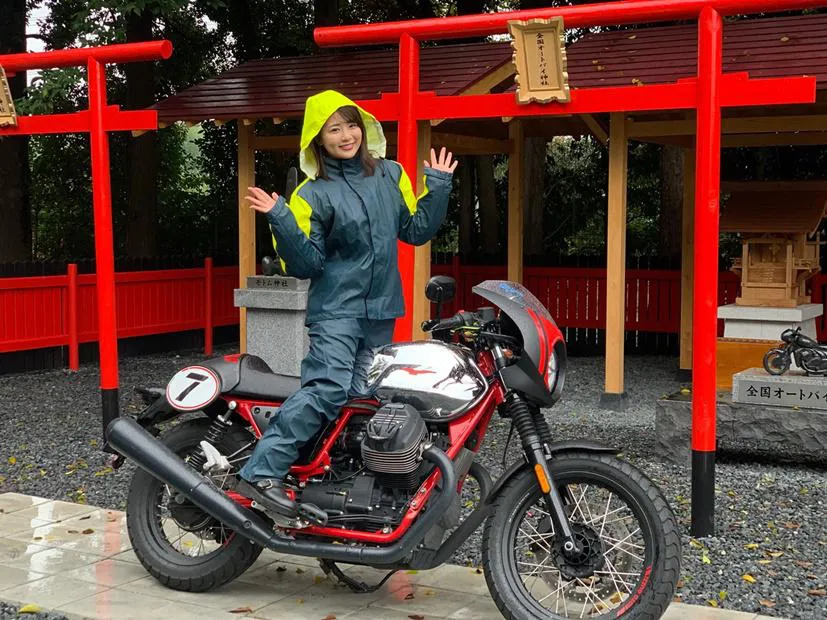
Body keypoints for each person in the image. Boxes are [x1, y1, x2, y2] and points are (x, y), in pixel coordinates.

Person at [235, 90, 457, 517]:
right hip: (336, 310)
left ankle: (337, 483)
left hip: (381, 309)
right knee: (328, 389)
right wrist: (281, 216)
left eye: (351, 124)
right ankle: (263, 471)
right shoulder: (310, 194)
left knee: (363, 401)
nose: (346, 135)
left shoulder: (391, 175)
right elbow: (306, 264)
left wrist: (439, 187)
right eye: (333, 129)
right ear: (317, 140)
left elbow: (415, 230)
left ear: (364, 126)